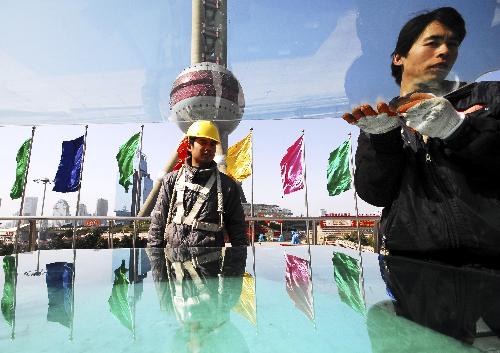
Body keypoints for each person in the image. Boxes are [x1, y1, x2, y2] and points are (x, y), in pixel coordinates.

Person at [343, 7, 500, 260]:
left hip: (493, 265)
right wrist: (384, 141)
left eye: (452, 43)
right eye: (432, 42)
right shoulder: (381, 118)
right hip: (415, 270)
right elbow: (374, 194)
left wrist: (461, 130)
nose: (445, 51)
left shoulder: (490, 96)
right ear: (399, 57)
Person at [148, 120, 248, 248]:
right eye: (203, 142)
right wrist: (157, 265)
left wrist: (237, 264)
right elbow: (157, 225)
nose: (208, 148)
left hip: (211, 264)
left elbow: (238, 230)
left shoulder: (227, 185)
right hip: (174, 263)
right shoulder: (171, 180)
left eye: (212, 144)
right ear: (189, 146)